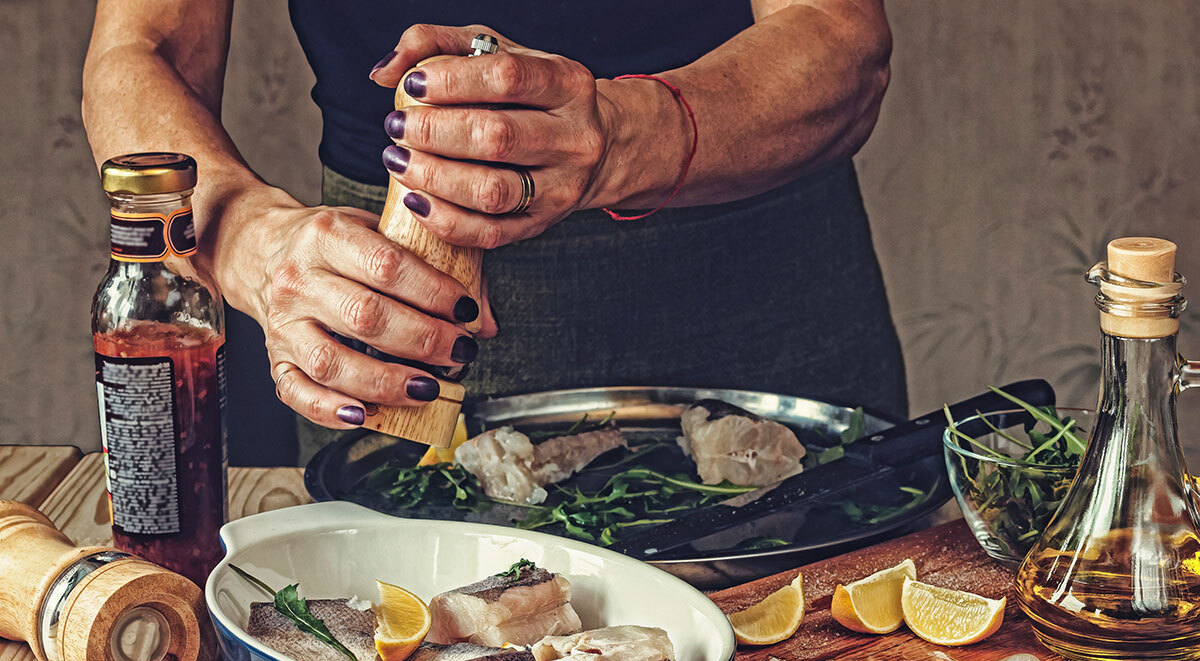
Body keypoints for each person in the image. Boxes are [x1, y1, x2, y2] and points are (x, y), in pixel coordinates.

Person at [83, 1, 906, 466]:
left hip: (760, 310)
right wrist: (247, 239)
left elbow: (839, 41)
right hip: (392, 316)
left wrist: (624, 133)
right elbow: (137, 51)